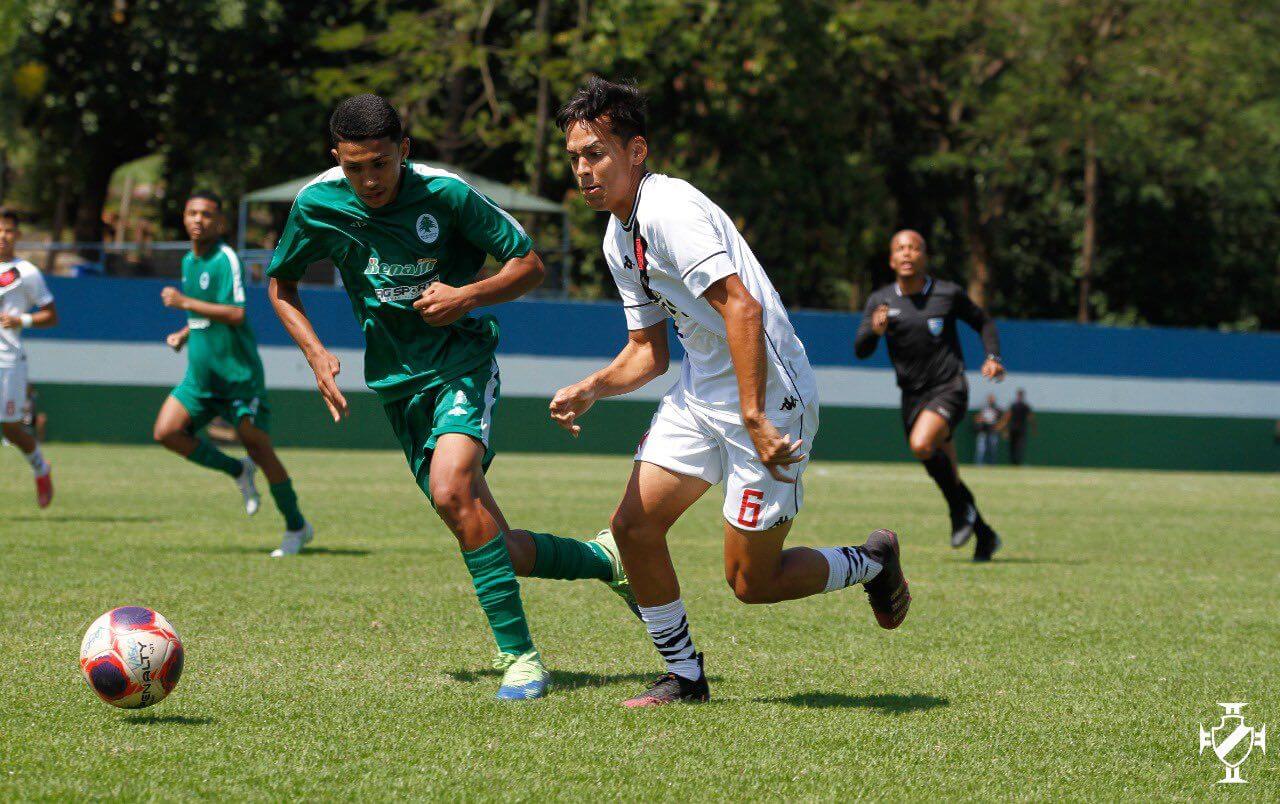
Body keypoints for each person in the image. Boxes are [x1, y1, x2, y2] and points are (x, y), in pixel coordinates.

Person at [550, 77, 910, 708]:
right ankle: (684, 676)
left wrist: (751, 413)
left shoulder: (669, 211)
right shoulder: (617, 237)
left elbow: (741, 308)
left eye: (596, 153)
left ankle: (873, 560)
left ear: (636, 151)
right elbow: (649, 353)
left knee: (753, 581)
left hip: (768, 400)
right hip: (700, 395)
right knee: (632, 527)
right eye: (575, 157)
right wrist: (593, 388)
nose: (583, 169)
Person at [265, 94, 636, 701]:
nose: (368, 180)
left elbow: (530, 264)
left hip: (462, 364)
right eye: (355, 167)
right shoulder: (317, 203)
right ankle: (604, 560)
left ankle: (521, 660)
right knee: (492, 538)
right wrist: (315, 352)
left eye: (380, 164)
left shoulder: (447, 193)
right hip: (396, 386)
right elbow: (281, 283)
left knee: (451, 489)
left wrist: (465, 296)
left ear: (403, 152)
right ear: (337, 159)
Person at [152, 191, 313, 558]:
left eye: (207, 214)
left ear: (219, 222)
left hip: (238, 376)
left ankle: (296, 526)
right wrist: (186, 330)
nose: (199, 220)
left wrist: (184, 303)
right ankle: (238, 471)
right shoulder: (189, 261)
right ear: (184, 217)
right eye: (192, 212)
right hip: (201, 377)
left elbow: (236, 313)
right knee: (166, 432)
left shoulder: (226, 258)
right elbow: (205, 313)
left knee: (255, 442)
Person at [854, 230, 1004, 560]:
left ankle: (958, 514)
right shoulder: (881, 301)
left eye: (914, 248)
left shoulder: (947, 294)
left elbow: (983, 322)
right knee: (949, 475)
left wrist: (992, 357)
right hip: (912, 397)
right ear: (892, 260)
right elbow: (861, 349)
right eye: (900, 249)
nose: (907, 253)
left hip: (949, 387)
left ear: (925, 256)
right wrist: (875, 332)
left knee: (922, 444)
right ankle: (984, 534)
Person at [0, 209, 57, 507]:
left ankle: (41, 468)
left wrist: (23, 319)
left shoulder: (28, 272)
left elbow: (51, 315)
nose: (2, 236)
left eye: (8, 231)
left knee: (10, 428)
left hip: (9, 362)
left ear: (17, 235)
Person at [1000, 388, 1036, 466]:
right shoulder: (1016, 405)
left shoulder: (1023, 406)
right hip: (1016, 429)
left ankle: (1016, 462)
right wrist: (1004, 429)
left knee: (1017, 446)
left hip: (1019, 429)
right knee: (1015, 446)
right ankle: (1015, 463)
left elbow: (1030, 418)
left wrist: (1033, 428)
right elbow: (1007, 417)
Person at [973, 394, 1001, 465]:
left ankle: (992, 465)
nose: (991, 400)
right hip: (983, 431)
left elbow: (999, 421)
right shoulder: (984, 408)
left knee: (992, 449)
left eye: (992, 399)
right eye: (990, 399)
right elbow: (978, 418)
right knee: (981, 450)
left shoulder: (997, 409)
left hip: (992, 432)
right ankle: (979, 465)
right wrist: (982, 419)